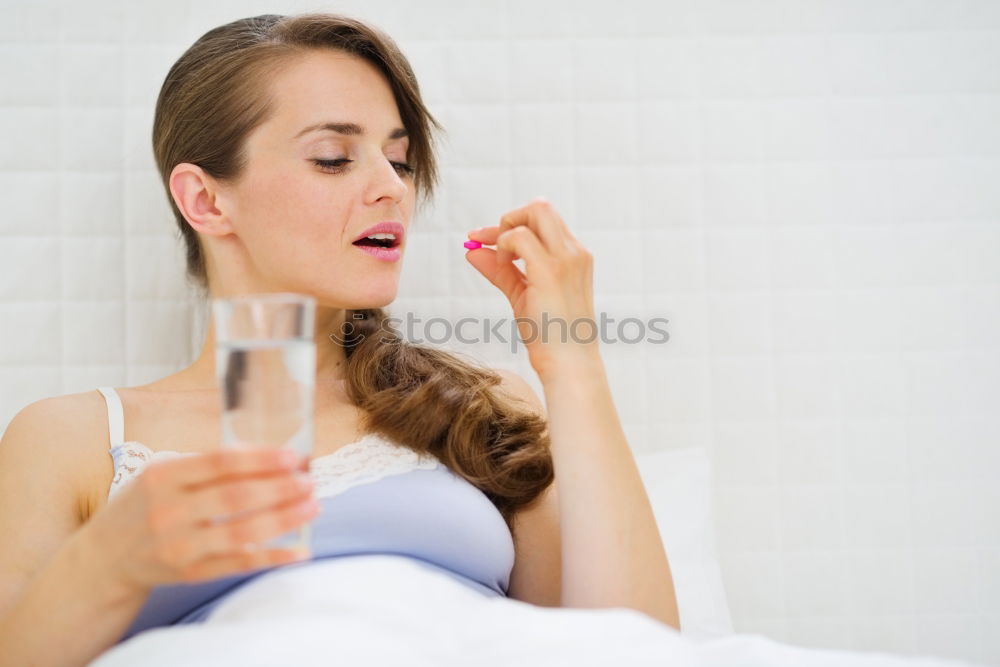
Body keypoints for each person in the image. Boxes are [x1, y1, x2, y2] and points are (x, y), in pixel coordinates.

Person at [0, 12, 679, 666]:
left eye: (400, 160)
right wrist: (110, 558)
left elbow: (637, 650)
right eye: (333, 158)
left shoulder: (480, 407)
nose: (392, 189)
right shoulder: (72, 439)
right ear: (206, 200)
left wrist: (572, 361)